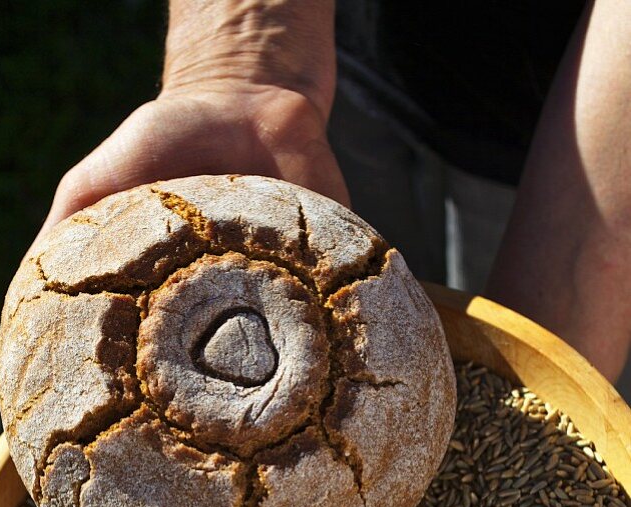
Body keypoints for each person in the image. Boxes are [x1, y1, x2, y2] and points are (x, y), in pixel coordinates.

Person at [34, 0, 631, 385]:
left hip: (588, 124)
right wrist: (241, 65)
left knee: (509, 348)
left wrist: (585, 267)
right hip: (333, 58)